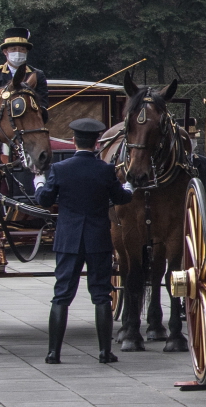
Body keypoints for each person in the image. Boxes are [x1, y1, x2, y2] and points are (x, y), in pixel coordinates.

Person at [35, 118, 133, 364]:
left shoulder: (61, 168)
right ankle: (103, 352)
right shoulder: (105, 170)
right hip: (97, 239)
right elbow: (120, 198)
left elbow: (45, 200)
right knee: (101, 295)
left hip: (68, 240)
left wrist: (38, 183)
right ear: (97, 142)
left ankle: (53, 353)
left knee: (61, 295)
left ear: (73, 140)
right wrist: (129, 187)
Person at [0, 27, 50, 112]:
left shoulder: (37, 74)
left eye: (22, 49)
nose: (18, 52)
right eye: (13, 49)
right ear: (5, 52)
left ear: (26, 52)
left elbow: (43, 104)